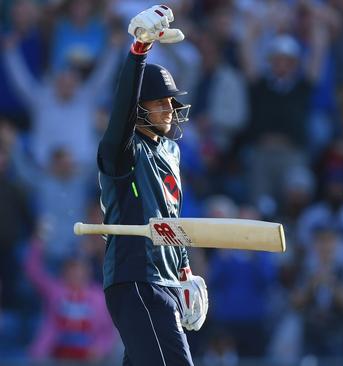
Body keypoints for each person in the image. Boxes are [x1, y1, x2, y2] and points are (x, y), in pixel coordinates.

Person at [97, 5, 207, 365]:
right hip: (136, 280)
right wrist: (138, 52)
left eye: (171, 103)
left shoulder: (172, 150)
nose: (170, 110)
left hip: (163, 281)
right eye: (160, 103)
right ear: (139, 108)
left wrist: (184, 270)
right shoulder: (121, 150)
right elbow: (121, 111)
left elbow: (169, 218)